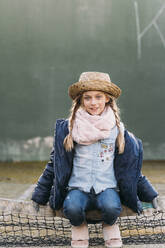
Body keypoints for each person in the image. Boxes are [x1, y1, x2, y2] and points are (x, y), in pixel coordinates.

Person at [32, 72, 158, 248]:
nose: (93, 102)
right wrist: (39, 196)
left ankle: (110, 225)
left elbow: (130, 169)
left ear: (107, 99)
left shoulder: (118, 130)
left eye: (98, 97)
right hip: (78, 187)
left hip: (106, 187)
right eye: (87, 98)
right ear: (81, 100)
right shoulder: (69, 129)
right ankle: (79, 226)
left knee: (112, 207)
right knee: (72, 208)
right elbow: (54, 165)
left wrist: (150, 195)